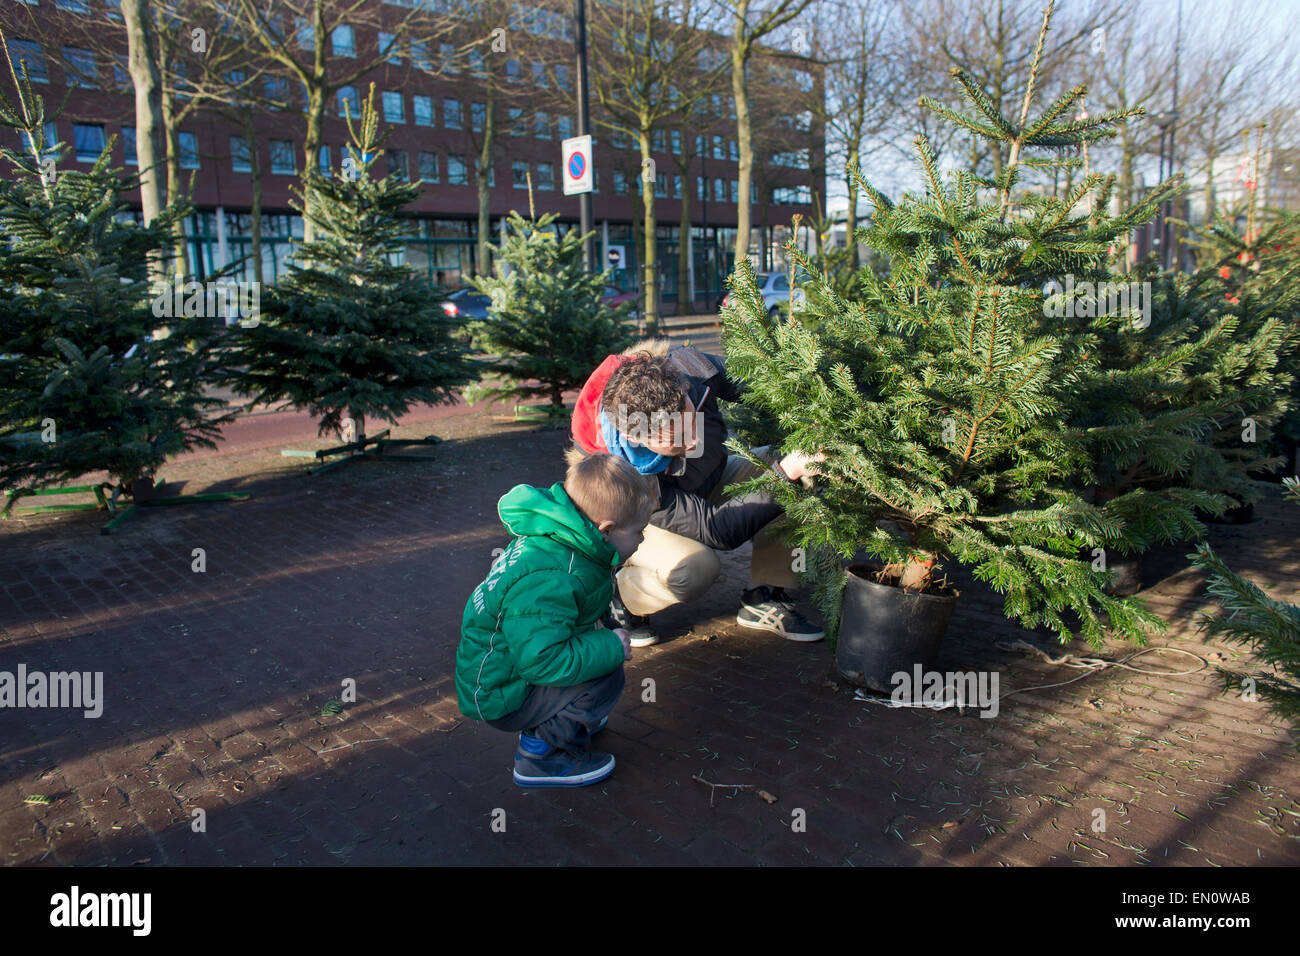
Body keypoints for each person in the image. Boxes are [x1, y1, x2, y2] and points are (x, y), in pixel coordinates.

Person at [569, 338, 824, 647]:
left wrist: (811, 412)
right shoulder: (625, 475)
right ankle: (622, 593)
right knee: (696, 569)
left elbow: (760, 386)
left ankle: (764, 595)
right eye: (676, 437)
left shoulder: (686, 370)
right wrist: (787, 473)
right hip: (644, 520)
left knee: (781, 459)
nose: (693, 442)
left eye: (692, 421)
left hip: (709, 479)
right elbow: (718, 530)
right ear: (633, 437)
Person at [456, 452, 658, 787]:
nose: (642, 540)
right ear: (606, 530)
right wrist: (608, 645)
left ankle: (567, 721)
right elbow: (541, 660)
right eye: (638, 531)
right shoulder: (552, 574)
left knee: (598, 663)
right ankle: (543, 755)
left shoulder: (567, 544)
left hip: (510, 676)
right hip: (503, 693)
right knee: (605, 676)